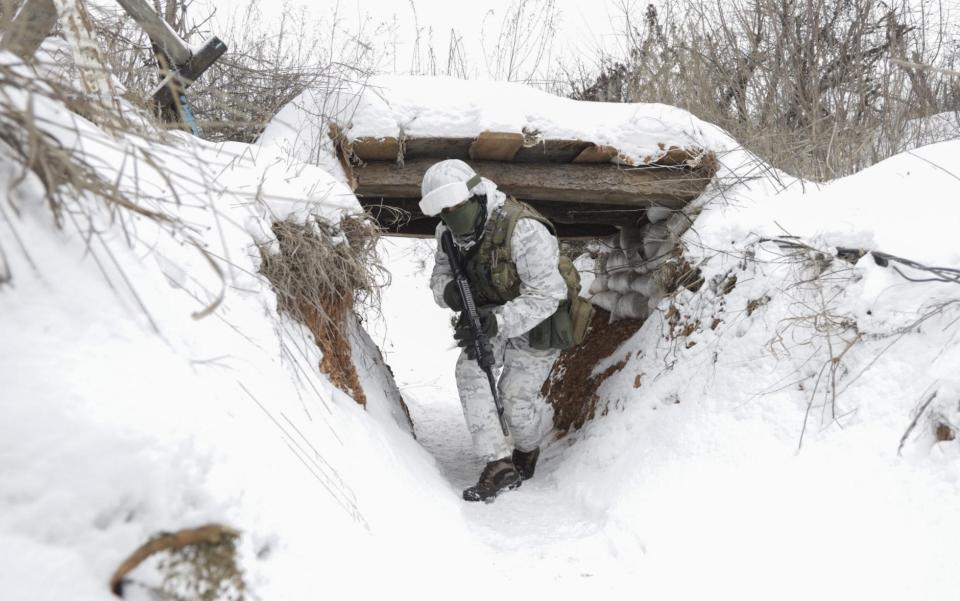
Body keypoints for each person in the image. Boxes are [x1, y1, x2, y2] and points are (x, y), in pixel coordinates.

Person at [419, 159, 568, 502]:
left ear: (477, 197)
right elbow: (440, 276)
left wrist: (499, 321)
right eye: (444, 211)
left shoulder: (524, 229)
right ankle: (498, 464)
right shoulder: (447, 234)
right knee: (470, 371)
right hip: (489, 317)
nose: (451, 216)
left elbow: (549, 295)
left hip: (539, 320)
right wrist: (449, 293)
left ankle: (527, 450)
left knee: (515, 400)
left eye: (457, 207)